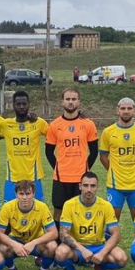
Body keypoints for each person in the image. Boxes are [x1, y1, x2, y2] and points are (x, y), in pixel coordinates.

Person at [55, 172, 127, 270]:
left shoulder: (105, 205)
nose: (89, 189)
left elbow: (116, 234)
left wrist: (102, 253)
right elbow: (63, 235)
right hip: (77, 248)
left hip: (98, 246)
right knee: (60, 253)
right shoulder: (69, 204)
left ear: (97, 187)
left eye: (93, 186)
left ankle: (100, 268)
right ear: (80, 186)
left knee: (122, 259)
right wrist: (82, 250)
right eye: (86, 185)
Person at [46, 89, 99, 225]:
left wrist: (85, 168)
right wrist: (59, 167)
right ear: (62, 102)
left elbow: (94, 151)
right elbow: (48, 152)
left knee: (79, 210)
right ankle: (58, 242)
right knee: (58, 210)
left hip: (80, 177)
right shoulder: (55, 125)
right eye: (68, 99)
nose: (71, 102)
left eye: (74, 99)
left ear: (78, 102)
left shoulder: (88, 124)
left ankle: (79, 240)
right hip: (61, 177)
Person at [99, 97, 135, 221]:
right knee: (111, 221)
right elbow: (103, 157)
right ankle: (111, 241)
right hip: (114, 185)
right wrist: (114, 169)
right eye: (123, 108)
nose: (126, 111)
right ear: (117, 111)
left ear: (134, 111)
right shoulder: (108, 132)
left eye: (129, 108)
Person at [0, 180, 58, 270]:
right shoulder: (8, 207)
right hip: (16, 240)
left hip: (35, 242)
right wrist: (14, 244)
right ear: (16, 194)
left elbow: (54, 233)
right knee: (2, 247)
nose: (24, 197)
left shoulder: (41, 207)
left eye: (28, 194)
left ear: (34, 194)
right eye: (21, 194)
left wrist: (33, 242)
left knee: (52, 246)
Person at [0, 91, 48, 202]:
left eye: (24, 103)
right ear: (13, 105)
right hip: (12, 178)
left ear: (29, 105)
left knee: (37, 212)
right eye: (18, 104)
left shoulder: (39, 123)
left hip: (34, 178)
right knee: (10, 214)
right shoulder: (5, 125)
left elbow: (56, 133)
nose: (21, 106)